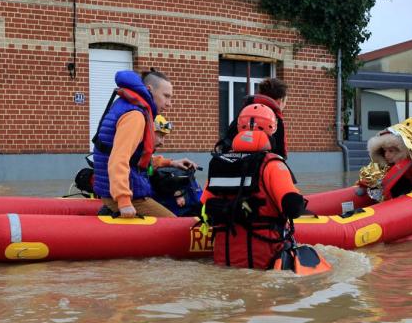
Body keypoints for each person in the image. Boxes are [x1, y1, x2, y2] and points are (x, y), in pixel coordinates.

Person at [201, 103, 328, 273]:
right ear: (271, 128)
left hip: (225, 259)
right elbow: (292, 207)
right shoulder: (272, 164)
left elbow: (202, 208)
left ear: (239, 127)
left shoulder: (219, 163)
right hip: (264, 259)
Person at [91, 69, 196, 218]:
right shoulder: (136, 115)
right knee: (173, 226)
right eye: (166, 96)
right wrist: (124, 201)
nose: (169, 104)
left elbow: (135, 157)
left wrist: (170, 163)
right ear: (149, 90)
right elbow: (118, 159)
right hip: (126, 196)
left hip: (113, 190)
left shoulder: (126, 104)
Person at [358, 117, 412, 201]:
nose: (386, 155)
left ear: (401, 151)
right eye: (384, 151)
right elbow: (371, 174)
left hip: (405, 197)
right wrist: (363, 185)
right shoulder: (384, 164)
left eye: (391, 151)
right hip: (387, 199)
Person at [214, 77, 289, 158]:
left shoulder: (246, 110)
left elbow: (229, 137)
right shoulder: (274, 118)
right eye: (285, 101)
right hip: (261, 165)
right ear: (280, 100)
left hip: (235, 162)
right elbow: (280, 153)